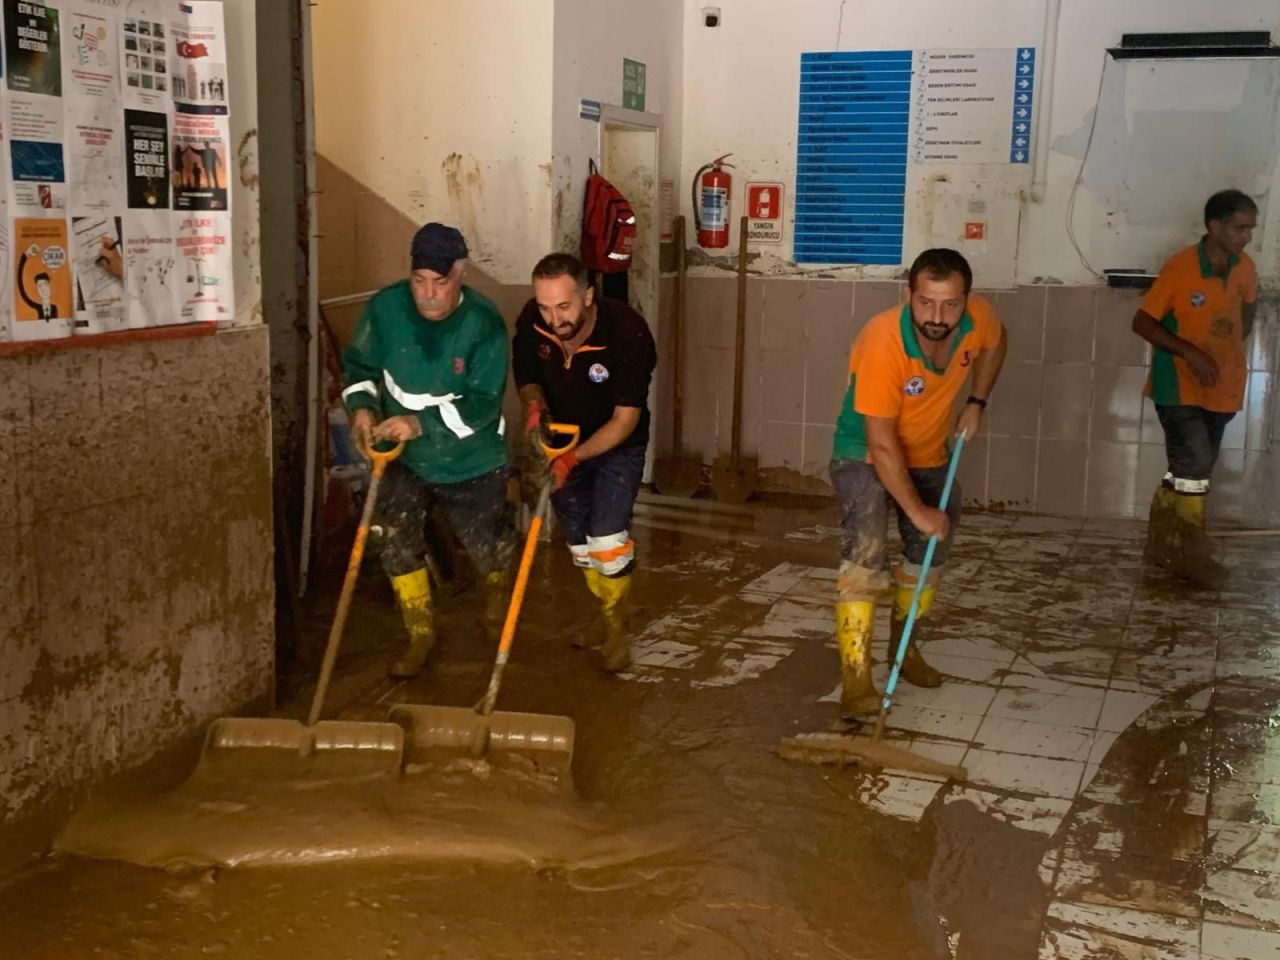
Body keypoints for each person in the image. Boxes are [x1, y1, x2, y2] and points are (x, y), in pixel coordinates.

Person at [829, 248, 1007, 717]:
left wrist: (978, 401)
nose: (938, 316)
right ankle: (856, 678)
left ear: (967, 300)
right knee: (865, 558)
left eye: (951, 305)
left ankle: (903, 651)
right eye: (926, 302)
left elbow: (997, 340)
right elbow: (882, 446)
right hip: (864, 452)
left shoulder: (979, 318)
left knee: (928, 557)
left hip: (930, 451)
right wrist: (917, 511)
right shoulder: (882, 339)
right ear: (908, 294)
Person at [342, 223, 514, 677]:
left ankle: (496, 605)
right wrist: (361, 407)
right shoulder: (385, 309)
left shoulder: (485, 324)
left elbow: (482, 404)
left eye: (441, 283)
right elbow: (359, 365)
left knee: (488, 548)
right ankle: (420, 634)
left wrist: (421, 423)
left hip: (472, 459)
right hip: (404, 457)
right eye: (420, 281)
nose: (429, 295)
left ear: (461, 275)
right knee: (395, 539)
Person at [512, 254, 657, 672]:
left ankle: (616, 632)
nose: (553, 318)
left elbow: (624, 420)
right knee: (580, 547)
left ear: (588, 295)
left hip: (616, 447)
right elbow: (526, 374)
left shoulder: (628, 333)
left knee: (607, 542)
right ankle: (608, 610)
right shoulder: (532, 320)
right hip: (559, 442)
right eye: (544, 307)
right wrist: (535, 406)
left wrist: (571, 460)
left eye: (564, 306)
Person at [1133, 191, 1259, 588]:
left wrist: (1222, 357)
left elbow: (1246, 317)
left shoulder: (1246, 268)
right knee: (1195, 463)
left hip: (1222, 386)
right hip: (1179, 385)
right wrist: (1191, 353)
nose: (1246, 237)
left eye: (1250, 229)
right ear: (1215, 226)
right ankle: (1192, 553)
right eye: (1240, 228)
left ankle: (1160, 541)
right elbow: (1143, 323)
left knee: (1192, 469)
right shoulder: (1181, 268)